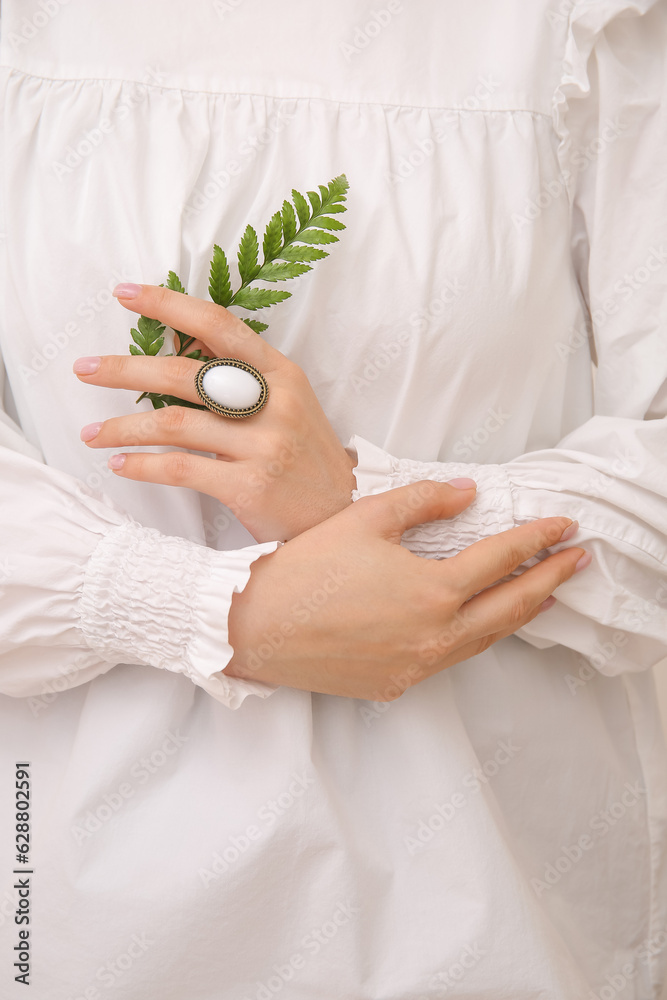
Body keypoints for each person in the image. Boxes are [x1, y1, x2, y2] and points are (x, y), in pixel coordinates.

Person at [0, 1, 666, 997]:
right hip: (83, 918)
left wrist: (360, 498)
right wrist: (222, 610)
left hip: (502, 918)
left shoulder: (581, 26)